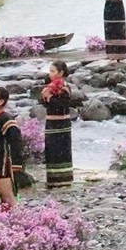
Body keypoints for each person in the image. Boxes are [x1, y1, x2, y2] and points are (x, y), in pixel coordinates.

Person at [40, 61, 74, 190]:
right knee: (52, 150)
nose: (51, 74)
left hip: (62, 124)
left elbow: (62, 106)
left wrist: (48, 98)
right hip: (51, 122)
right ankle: (53, 179)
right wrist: (44, 97)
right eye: (50, 71)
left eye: (53, 71)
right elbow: (47, 105)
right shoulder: (51, 87)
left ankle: (63, 180)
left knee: (61, 151)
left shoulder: (64, 88)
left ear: (61, 73)